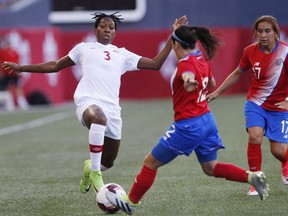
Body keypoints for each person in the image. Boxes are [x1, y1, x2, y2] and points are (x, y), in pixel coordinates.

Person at [2, 12, 187, 195]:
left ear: (115, 33)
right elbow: (54, 65)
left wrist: (174, 35)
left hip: (113, 110)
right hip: (88, 102)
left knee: (108, 162)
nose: (107, 30)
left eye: (111, 28)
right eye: (103, 26)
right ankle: (96, 174)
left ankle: (91, 167)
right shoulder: (84, 48)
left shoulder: (122, 54)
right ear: (95, 30)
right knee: (98, 117)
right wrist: (21, 68)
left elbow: (156, 64)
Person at [106, 25, 269, 215]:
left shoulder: (185, 64)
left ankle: (130, 202)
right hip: (207, 121)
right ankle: (252, 178)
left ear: (176, 45)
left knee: (150, 162)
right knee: (210, 167)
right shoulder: (200, 58)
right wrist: (195, 81)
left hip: (188, 126)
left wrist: (189, 81)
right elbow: (213, 83)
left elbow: (187, 75)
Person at [206, 15, 288, 196]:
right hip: (255, 103)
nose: (263, 35)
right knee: (255, 136)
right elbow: (237, 73)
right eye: (260, 31)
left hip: (279, 108)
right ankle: (256, 180)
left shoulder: (285, 52)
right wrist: (218, 92)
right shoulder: (250, 51)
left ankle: (285, 163)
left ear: (276, 32)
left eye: (267, 31)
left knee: (279, 151)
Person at [0, 37, 29, 110]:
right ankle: (10, 103)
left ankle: (22, 102)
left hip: (14, 72)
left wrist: (19, 71)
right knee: (7, 87)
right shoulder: (1, 52)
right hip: (6, 73)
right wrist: (1, 72)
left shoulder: (14, 51)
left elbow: (17, 62)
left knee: (18, 87)